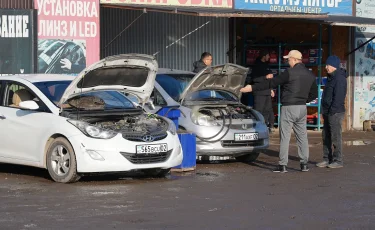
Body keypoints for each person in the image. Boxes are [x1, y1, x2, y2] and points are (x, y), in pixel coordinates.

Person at [240, 50, 318, 173]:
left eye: (288, 59)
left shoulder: (289, 73)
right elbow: (314, 94)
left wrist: (252, 87)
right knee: (302, 136)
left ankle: (283, 165)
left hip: (288, 107)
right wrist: (303, 100)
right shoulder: (310, 75)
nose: (288, 62)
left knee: (285, 136)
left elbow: (272, 82)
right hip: (302, 108)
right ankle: (304, 164)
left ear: (294, 59)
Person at [316, 55, 347, 169]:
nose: (326, 67)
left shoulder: (339, 78)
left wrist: (332, 111)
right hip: (328, 111)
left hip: (335, 112)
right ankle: (326, 159)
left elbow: (338, 97)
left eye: (328, 65)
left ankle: (338, 160)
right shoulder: (331, 77)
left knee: (335, 136)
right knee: (326, 136)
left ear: (333, 66)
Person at [246, 49, 276, 133]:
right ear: (264, 56)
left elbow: (270, 80)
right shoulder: (256, 66)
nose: (269, 57)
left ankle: (267, 126)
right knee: (259, 110)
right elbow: (254, 79)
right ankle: (258, 127)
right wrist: (265, 77)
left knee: (268, 110)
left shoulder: (267, 65)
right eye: (268, 56)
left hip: (267, 91)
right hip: (259, 92)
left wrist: (271, 89)